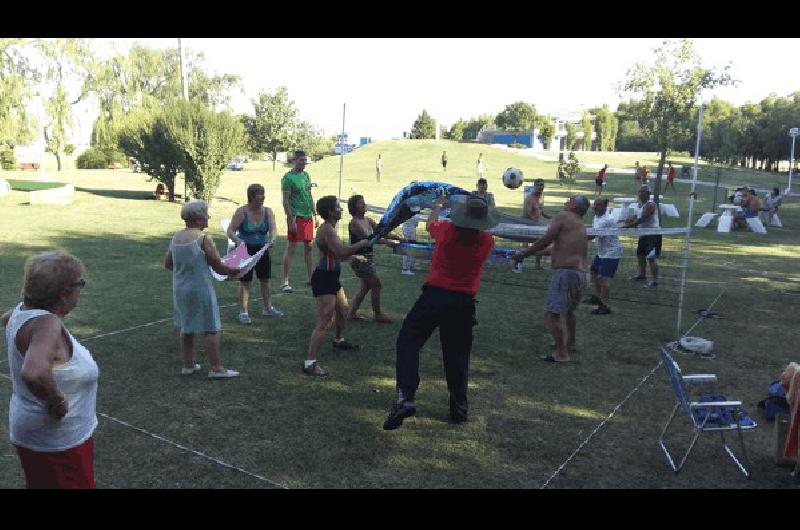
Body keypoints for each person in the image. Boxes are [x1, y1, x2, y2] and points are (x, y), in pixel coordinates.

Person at [383, 195, 497, 430]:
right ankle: (459, 410)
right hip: (464, 303)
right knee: (457, 356)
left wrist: (437, 206)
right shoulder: (486, 240)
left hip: (435, 296)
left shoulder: (446, 231)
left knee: (408, 340)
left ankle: (405, 396)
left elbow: (429, 224)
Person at [2, 252, 98, 488]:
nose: (81, 291)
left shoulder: (22, 310)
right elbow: (33, 372)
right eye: (80, 284)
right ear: (65, 293)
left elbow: (6, 318)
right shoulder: (47, 323)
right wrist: (58, 401)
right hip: (56, 440)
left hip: (35, 432)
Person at [165, 200, 241, 378]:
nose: (209, 217)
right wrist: (236, 270)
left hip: (180, 288)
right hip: (200, 288)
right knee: (211, 327)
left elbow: (168, 264)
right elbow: (217, 266)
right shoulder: (203, 239)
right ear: (198, 219)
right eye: (206, 214)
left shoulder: (176, 238)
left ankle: (188, 365)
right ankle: (216, 369)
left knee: (187, 326)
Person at [512, 196, 589, 363]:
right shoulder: (579, 223)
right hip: (580, 274)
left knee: (552, 314)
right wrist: (536, 253)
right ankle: (570, 344)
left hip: (566, 273)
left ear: (574, 205)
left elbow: (545, 240)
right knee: (568, 311)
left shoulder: (563, 216)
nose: (566, 201)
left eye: (570, 199)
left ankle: (562, 354)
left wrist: (523, 254)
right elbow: (560, 247)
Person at [304, 195, 370, 377]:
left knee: (343, 310)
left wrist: (353, 256)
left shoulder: (331, 228)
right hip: (324, 278)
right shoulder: (327, 230)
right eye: (338, 207)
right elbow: (340, 253)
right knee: (325, 320)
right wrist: (360, 244)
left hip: (332, 276)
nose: (341, 210)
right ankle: (310, 362)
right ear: (330, 212)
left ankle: (339, 340)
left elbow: (333, 254)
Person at [226, 184, 282, 325]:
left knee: (265, 279)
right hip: (245, 250)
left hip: (262, 250)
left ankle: (268, 308)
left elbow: (273, 230)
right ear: (251, 196)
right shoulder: (242, 212)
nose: (262, 198)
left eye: (263, 195)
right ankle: (243, 312)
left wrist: (272, 239)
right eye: (259, 195)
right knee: (245, 282)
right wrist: (238, 241)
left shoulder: (268, 212)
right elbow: (230, 230)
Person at [345, 194, 399, 323]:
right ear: (353, 207)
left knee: (366, 287)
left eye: (363, 202)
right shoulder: (354, 223)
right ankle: (378, 314)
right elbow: (369, 239)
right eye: (360, 203)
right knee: (376, 284)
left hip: (368, 258)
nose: (364, 204)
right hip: (359, 259)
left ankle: (351, 313)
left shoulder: (368, 220)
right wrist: (386, 242)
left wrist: (397, 237)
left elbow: (382, 231)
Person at [281, 150, 319, 293]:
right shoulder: (288, 178)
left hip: (308, 216)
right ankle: (285, 281)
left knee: (309, 247)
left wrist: (315, 215)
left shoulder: (306, 175)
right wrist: (291, 220)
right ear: (294, 160)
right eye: (301, 160)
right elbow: (285, 201)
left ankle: (310, 277)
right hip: (296, 217)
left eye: (305, 160)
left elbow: (309, 195)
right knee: (291, 247)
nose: (304, 163)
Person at [587, 198, 621, 315]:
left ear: (605, 206)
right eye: (594, 205)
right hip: (601, 252)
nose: (595, 207)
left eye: (599, 205)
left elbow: (591, 236)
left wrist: (573, 236)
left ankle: (605, 305)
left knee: (603, 278)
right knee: (593, 271)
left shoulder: (607, 220)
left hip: (611, 253)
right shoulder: (597, 216)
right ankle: (598, 296)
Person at [625, 186, 661, 288]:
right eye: (639, 191)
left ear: (648, 194)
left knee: (651, 257)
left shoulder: (651, 205)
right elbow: (637, 217)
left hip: (653, 234)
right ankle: (642, 275)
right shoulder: (641, 205)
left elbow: (644, 218)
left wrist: (629, 226)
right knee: (640, 255)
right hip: (644, 234)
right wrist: (629, 220)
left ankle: (655, 281)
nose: (640, 193)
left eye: (642, 192)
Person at [519, 179, 550, 271]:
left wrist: (549, 217)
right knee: (525, 246)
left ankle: (537, 265)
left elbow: (540, 210)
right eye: (539, 185)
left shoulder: (540, 196)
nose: (541, 187)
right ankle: (518, 263)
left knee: (540, 244)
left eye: (542, 185)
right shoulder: (529, 198)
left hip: (535, 224)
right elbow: (529, 213)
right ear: (534, 186)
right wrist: (537, 224)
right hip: (526, 224)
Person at [401, 208, 420, 276]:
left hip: (412, 228)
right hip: (408, 229)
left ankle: (411, 264)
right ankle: (405, 269)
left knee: (413, 246)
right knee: (408, 248)